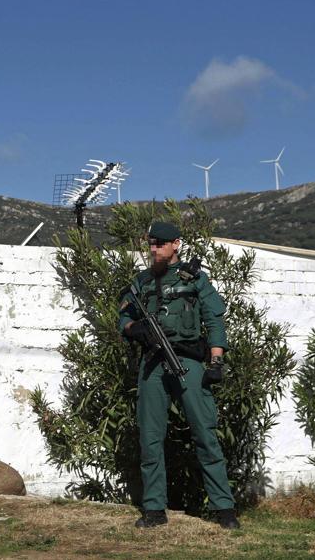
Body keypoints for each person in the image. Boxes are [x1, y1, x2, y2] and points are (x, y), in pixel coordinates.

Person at [118, 221, 240, 530]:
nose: (154, 248)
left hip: (188, 362)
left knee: (205, 433)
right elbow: (123, 319)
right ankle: (154, 508)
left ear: (177, 244)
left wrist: (216, 361)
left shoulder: (194, 279)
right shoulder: (141, 282)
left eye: (160, 243)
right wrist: (135, 329)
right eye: (150, 243)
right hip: (153, 365)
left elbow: (214, 319)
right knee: (150, 437)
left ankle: (224, 508)